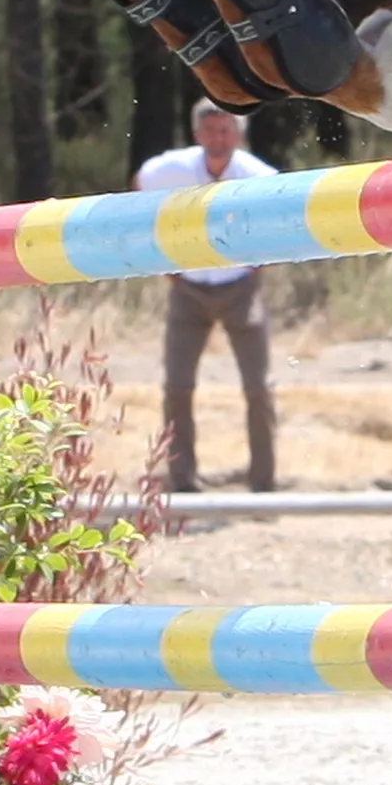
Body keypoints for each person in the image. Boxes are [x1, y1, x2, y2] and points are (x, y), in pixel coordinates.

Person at [138, 99, 280, 494]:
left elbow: (284, 218)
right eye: (210, 132)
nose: (218, 141)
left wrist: (258, 262)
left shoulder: (258, 176)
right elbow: (140, 186)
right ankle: (182, 480)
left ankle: (264, 482)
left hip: (240, 287)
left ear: (238, 135)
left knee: (258, 386)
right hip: (188, 288)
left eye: (225, 131)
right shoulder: (171, 170)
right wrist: (163, 259)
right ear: (197, 135)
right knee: (177, 387)